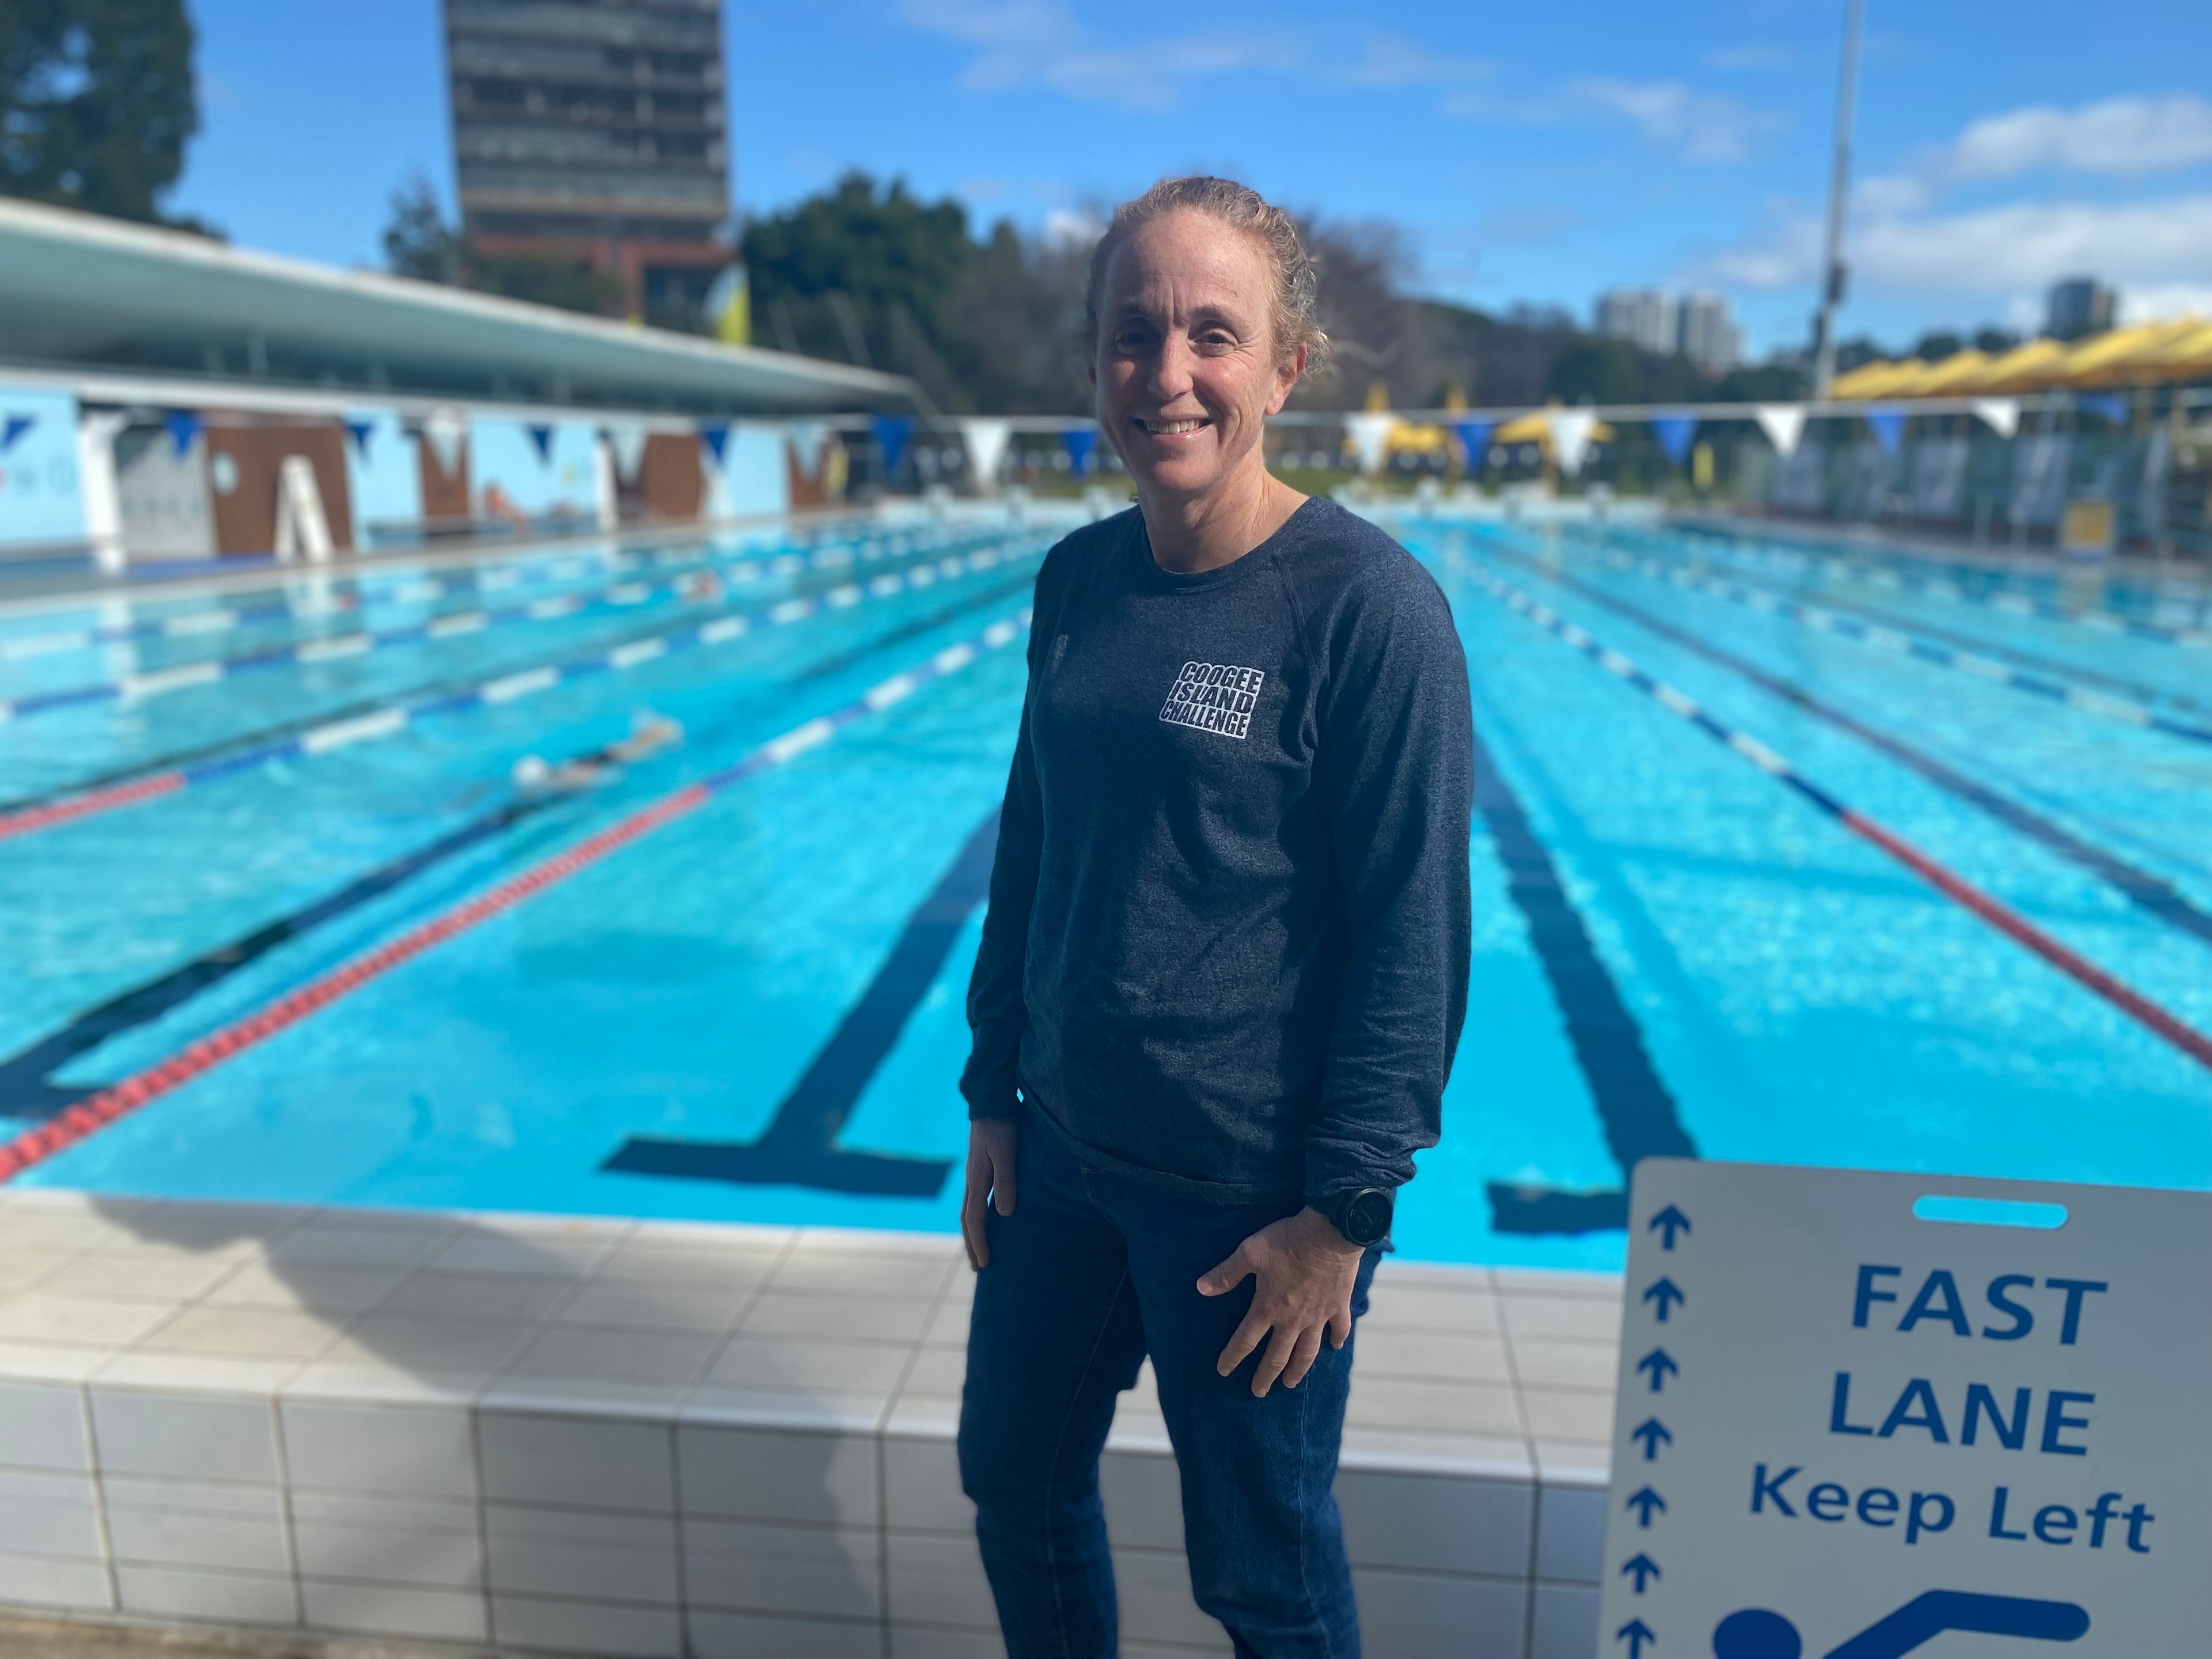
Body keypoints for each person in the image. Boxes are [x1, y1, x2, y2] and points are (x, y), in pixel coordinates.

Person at [955, 176, 1474, 1659]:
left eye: (1211, 334)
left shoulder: (1367, 611)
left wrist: (1341, 1217)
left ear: (1284, 366)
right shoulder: (1078, 581)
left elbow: (1411, 934)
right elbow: (1033, 843)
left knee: (1259, 1573)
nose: (1166, 374)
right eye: (1133, 334)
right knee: (1015, 1477)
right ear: (1096, 362)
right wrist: (994, 1090)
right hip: (1061, 1158)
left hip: (1247, 1203)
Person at [512, 709, 681, 795]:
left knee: (636, 750)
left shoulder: (560, 781)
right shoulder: (559, 773)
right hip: (591, 759)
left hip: (598, 762)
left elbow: (588, 777)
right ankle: (658, 731)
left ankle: (663, 732)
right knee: (632, 748)